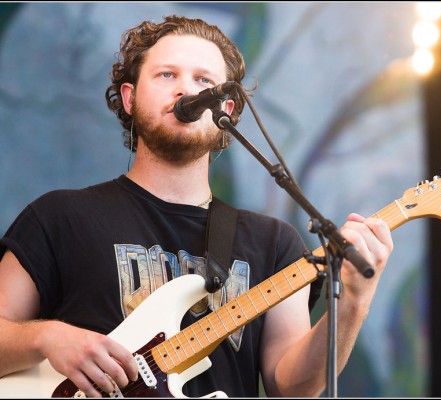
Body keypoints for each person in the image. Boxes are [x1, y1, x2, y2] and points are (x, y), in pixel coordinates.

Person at [0, 15, 393, 398]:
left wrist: (355, 303)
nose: (187, 91)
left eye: (204, 80)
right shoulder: (59, 217)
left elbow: (290, 388)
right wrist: (46, 336)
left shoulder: (273, 242)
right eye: (167, 74)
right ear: (130, 97)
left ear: (228, 111)